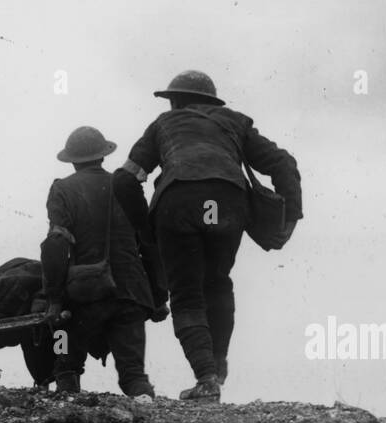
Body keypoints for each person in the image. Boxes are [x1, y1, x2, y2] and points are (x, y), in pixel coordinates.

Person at [116, 70, 301, 401]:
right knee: (217, 282)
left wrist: (146, 229)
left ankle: (206, 378)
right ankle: (216, 363)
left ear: (176, 101)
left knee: (187, 293)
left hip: (178, 204)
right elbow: (284, 164)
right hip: (227, 203)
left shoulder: (163, 125)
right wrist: (291, 217)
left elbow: (124, 180)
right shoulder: (236, 123)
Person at [40, 127, 159, 396]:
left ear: (71, 160)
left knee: (66, 362)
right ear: (103, 156)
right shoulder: (126, 187)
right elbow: (150, 242)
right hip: (132, 294)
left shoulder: (62, 189)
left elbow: (56, 243)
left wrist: (55, 299)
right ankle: (144, 413)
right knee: (134, 375)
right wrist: (158, 296)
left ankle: (65, 413)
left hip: (85, 296)